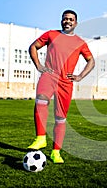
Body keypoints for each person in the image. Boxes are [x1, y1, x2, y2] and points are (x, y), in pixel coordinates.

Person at [27, 10, 95, 163]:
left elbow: (91, 61)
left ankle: (55, 152)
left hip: (66, 82)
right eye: (65, 19)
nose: (68, 21)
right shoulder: (51, 34)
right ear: (61, 21)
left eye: (71, 19)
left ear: (75, 23)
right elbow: (33, 47)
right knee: (41, 100)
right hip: (49, 75)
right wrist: (38, 65)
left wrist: (80, 76)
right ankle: (41, 137)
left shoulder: (80, 43)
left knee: (60, 118)